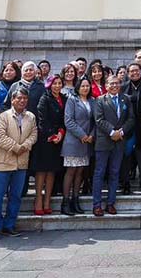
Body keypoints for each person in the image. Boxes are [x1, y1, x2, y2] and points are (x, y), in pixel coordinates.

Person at [0, 87, 37, 239]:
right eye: (19, 98)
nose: (22, 101)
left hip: (22, 162)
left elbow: (34, 133)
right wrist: (16, 147)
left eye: (24, 98)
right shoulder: (3, 116)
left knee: (16, 196)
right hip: (4, 162)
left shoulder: (31, 117)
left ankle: (9, 225)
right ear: (12, 100)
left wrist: (25, 146)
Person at [92, 75, 134, 216]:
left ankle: (111, 203)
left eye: (117, 83)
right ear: (106, 85)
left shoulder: (126, 99)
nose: (115, 86)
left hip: (120, 141)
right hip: (104, 141)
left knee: (115, 173)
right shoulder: (100, 100)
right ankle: (97, 204)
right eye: (112, 84)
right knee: (100, 173)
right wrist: (112, 132)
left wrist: (121, 131)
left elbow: (131, 119)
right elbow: (99, 119)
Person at [31, 74, 66, 215]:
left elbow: (65, 119)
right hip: (45, 139)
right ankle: (39, 198)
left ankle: (47, 200)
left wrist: (60, 133)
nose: (57, 86)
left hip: (58, 138)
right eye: (54, 83)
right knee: (42, 170)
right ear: (49, 85)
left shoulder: (64, 99)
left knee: (52, 170)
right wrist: (52, 134)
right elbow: (42, 120)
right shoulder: (44, 98)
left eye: (59, 83)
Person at [61, 77, 95, 215]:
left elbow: (95, 121)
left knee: (80, 172)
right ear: (78, 87)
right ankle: (65, 201)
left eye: (87, 86)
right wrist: (82, 135)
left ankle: (76, 199)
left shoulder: (92, 101)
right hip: (74, 141)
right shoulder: (72, 100)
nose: (85, 88)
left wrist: (91, 135)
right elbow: (68, 121)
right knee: (71, 171)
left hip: (87, 142)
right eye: (83, 86)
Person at [122, 63, 141, 196]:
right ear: (128, 73)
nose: (134, 73)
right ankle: (126, 183)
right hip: (127, 128)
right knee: (126, 157)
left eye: (136, 70)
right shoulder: (123, 87)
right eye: (131, 71)